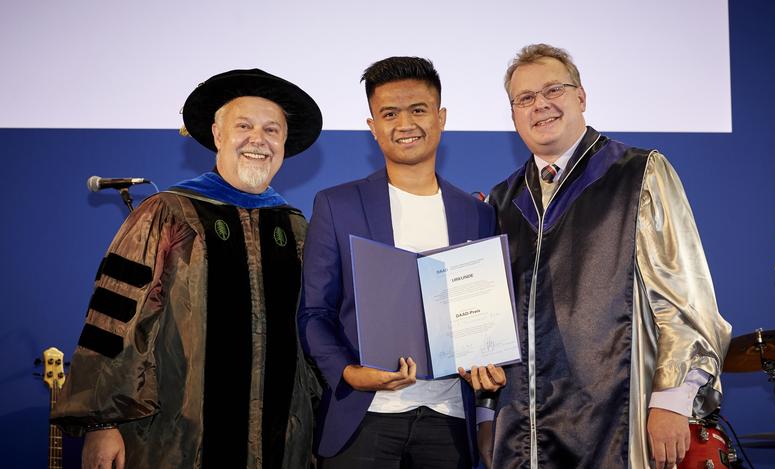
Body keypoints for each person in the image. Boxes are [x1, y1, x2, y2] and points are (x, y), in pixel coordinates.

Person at [51, 69, 323, 469]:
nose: (258, 140)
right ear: (217, 134)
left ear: (283, 143)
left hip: (280, 441)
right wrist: (102, 423)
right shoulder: (167, 213)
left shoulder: (294, 226)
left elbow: (311, 332)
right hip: (176, 438)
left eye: (272, 130)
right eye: (243, 126)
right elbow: (117, 321)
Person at [485, 44, 732, 469]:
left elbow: (683, 300)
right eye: (524, 98)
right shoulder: (503, 200)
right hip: (525, 432)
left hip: (619, 419)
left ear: (581, 96)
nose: (540, 104)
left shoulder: (638, 175)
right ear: (512, 115)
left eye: (553, 90)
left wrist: (672, 401)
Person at [297, 56, 505, 469]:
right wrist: (350, 373)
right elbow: (314, 313)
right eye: (389, 113)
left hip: (450, 422)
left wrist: (490, 375)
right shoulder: (337, 205)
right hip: (364, 418)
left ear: (441, 118)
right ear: (373, 127)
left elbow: (485, 320)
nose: (405, 124)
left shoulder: (479, 213)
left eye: (418, 110)